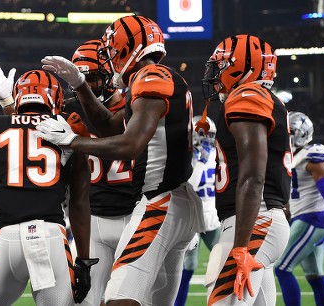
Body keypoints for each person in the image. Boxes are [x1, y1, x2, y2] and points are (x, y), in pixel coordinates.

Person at [36, 15, 205, 306]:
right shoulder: (158, 78)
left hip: (160, 201)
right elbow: (111, 128)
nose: (111, 58)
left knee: (118, 299)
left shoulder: (151, 78)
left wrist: (73, 141)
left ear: (128, 49)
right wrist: (80, 84)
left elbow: (130, 145)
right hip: (175, 200)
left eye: (112, 51)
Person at [0, 68, 96, 305]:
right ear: (54, 98)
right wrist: (84, 261)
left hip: (7, 239)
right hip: (50, 237)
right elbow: (78, 203)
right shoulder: (70, 129)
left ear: (18, 97)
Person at [201, 34, 291, 305]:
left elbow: (253, 177)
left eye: (220, 65)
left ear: (241, 67)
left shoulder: (247, 95)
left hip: (255, 220)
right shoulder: (253, 97)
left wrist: (240, 246)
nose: (213, 73)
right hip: (258, 219)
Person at [67, 39, 141, 306]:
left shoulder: (139, 106)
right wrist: (8, 104)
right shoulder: (68, 109)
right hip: (93, 220)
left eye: (93, 78)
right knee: (82, 301)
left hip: (136, 217)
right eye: (79, 79)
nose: (85, 85)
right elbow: (24, 129)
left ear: (111, 75)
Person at [275, 111, 324, 306]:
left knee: (282, 268)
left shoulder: (314, 154)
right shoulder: (296, 156)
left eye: (290, 131)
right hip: (304, 218)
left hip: (312, 219)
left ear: (301, 132)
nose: (286, 135)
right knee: (315, 275)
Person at [174, 115, 221, 306]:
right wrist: (200, 162)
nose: (205, 139)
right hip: (191, 219)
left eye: (208, 135)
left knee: (223, 264)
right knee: (187, 267)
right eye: (202, 135)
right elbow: (188, 188)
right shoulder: (185, 158)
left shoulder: (218, 156)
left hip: (212, 216)